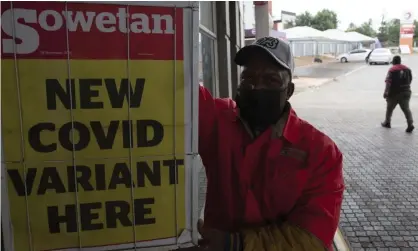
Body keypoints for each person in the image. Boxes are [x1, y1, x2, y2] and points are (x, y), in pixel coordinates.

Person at [193, 36, 345, 251]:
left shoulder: (321, 152)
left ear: (289, 90)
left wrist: (236, 244)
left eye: (271, 80)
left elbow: (313, 237)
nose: (257, 87)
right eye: (248, 78)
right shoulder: (218, 121)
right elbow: (179, 90)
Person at [381, 55, 414, 133]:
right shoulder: (407, 69)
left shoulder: (392, 70)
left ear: (394, 62)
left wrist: (386, 92)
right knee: (406, 109)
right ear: (400, 61)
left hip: (394, 93)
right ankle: (410, 124)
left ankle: (387, 122)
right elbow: (410, 80)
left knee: (389, 109)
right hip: (406, 92)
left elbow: (388, 82)